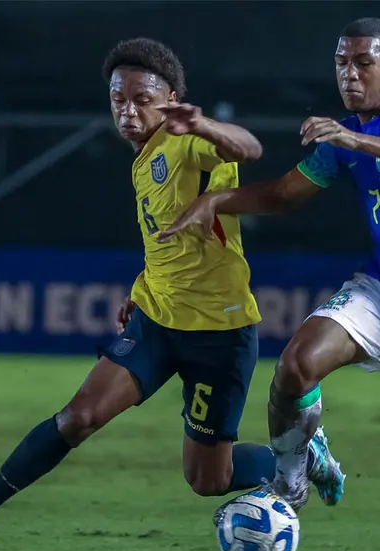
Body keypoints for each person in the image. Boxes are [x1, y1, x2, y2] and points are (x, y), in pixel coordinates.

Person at [0, 38, 344, 551]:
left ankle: (300, 452)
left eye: (142, 99)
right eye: (118, 99)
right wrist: (141, 283)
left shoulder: (187, 140)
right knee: (77, 418)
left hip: (220, 336)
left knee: (206, 479)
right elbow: (165, 236)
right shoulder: (143, 158)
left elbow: (248, 148)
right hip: (156, 323)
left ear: (171, 98)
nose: (128, 110)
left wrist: (204, 126)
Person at [159, 17, 380, 515]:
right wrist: (217, 199)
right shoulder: (344, 139)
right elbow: (282, 194)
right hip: (378, 290)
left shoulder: (351, 140)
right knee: (295, 367)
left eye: (363, 63)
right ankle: (289, 486)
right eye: (341, 63)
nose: (349, 74)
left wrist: (357, 143)